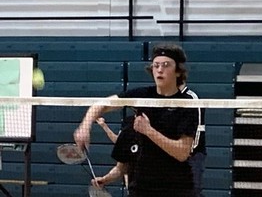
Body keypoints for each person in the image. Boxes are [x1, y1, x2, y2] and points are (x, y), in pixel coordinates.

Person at [74, 43, 199, 197]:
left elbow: (181, 152)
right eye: (156, 65)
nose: (160, 70)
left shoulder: (187, 103)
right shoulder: (142, 95)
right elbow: (102, 104)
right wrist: (85, 126)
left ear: (178, 71)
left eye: (166, 65)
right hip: (141, 187)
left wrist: (149, 131)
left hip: (177, 188)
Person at [180, 84, 206, 197]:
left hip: (193, 156)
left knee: (193, 191)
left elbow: (199, 129)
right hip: (173, 156)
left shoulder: (191, 98)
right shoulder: (166, 98)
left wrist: (189, 151)